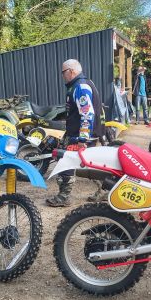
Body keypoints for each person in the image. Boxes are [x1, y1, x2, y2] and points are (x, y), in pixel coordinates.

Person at [46, 59, 103, 207]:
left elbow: (87, 113)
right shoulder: (83, 84)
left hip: (81, 136)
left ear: (71, 71)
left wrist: (82, 138)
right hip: (82, 133)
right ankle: (105, 189)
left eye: (63, 72)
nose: (62, 75)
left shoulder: (80, 87)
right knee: (90, 163)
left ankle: (64, 197)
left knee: (66, 162)